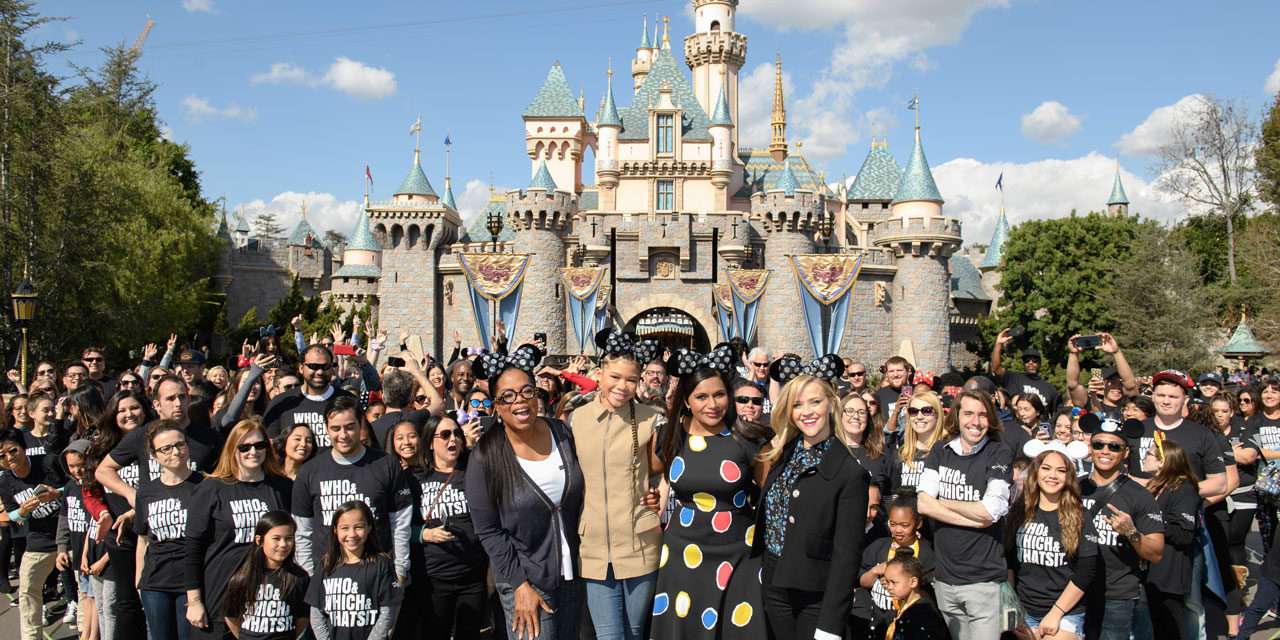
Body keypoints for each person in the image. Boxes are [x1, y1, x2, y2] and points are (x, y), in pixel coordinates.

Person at [650, 348, 771, 639]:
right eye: (701, 397)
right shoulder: (670, 435)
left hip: (739, 554)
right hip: (682, 554)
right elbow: (642, 473)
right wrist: (650, 498)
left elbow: (771, 496)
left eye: (719, 395)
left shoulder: (748, 438)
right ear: (687, 402)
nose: (712, 404)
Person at [466, 349, 586, 640]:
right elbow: (489, 531)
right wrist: (518, 586)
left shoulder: (562, 434)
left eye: (526, 391)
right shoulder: (486, 457)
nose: (519, 401)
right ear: (496, 405)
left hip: (574, 573)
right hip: (527, 578)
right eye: (507, 396)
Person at [754, 371, 869, 640]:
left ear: (830, 403)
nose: (806, 411)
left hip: (815, 598)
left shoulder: (850, 473)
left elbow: (847, 556)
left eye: (814, 402)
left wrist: (831, 625)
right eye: (797, 405)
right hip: (773, 586)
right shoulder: (785, 452)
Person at [569, 330, 664, 640]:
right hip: (594, 544)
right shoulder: (576, 419)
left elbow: (664, 472)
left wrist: (658, 498)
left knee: (636, 633)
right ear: (599, 374)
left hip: (640, 541)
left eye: (631, 380)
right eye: (615, 377)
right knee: (610, 636)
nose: (622, 386)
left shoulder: (652, 419)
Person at [184, 419, 294, 640]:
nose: (253, 451)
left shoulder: (282, 487)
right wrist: (194, 601)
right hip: (219, 595)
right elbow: (193, 547)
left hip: (269, 602)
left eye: (259, 445)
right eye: (244, 447)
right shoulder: (212, 488)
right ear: (232, 448)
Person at [915, 389, 1012, 640]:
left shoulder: (998, 452)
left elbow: (990, 510)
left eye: (982, 415)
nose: (975, 422)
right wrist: (976, 519)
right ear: (957, 416)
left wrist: (944, 501)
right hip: (945, 580)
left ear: (990, 419)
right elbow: (924, 504)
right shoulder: (940, 450)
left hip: (983, 581)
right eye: (968, 413)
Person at [291, 395, 413, 581]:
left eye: (349, 427)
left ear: (360, 425)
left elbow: (400, 523)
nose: (343, 435)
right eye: (335, 428)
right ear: (326, 429)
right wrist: (309, 576)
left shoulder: (386, 464)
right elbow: (302, 532)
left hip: (377, 575)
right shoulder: (309, 471)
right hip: (326, 577)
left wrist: (400, 569)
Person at [1077, 414, 1164, 640]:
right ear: (1091, 447)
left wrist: (1131, 532)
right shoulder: (1074, 487)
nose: (1105, 451)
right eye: (1099, 444)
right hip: (1073, 590)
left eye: (1114, 446)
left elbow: (1156, 553)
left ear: (1125, 452)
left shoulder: (1140, 496)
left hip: (1116, 595)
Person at [405, 415, 487, 640]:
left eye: (457, 434)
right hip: (433, 579)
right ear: (430, 442)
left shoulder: (476, 470)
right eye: (445, 435)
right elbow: (399, 526)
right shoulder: (414, 478)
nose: (453, 439)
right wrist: (424, 534)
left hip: (472, 577)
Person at [1007, 447, 1097, 639]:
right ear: (1036, 472)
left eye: (1061, 470)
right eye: (1046, 468)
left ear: (1069, 477)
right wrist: (1013, 609)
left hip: (1065, 611)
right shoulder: (1019, 511)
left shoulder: (1080, 515)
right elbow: (1009, 562)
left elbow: (1086, 570)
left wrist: (1056, 613)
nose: (1052, 475)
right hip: (1024, 610)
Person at [135, 420, 205, 640]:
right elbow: (143, 539)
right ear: (154, 456)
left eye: (180, 445)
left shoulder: (205, 485)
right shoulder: (147, 491)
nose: (175, 452)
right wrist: (138, 580)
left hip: (193, 583)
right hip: (155, 583)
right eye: (166, 448)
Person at [0, 429, 65, 640]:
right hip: (39, 539)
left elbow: (75, 485)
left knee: (82, 590)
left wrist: (57, 493)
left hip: (68, 534)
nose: (9, 458)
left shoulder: (48, 462)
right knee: (27, 589)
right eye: (1, 455)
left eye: (12, 450)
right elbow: (10, 513)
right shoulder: (5, 482)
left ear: (23, 447)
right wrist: (23, 511)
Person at [307, 501, 402, 640]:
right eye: (344, 528)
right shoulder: (326, 564)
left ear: (369, 527)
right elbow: (316, 613)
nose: (352, 534)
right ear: (335, 530)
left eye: (358, 527)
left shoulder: (382, 564)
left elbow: (387, 612)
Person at [1141, 438, 1201, 639]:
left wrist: (1152, 521)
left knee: (1171, 625)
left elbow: (1184, 534)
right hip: (1151, 568)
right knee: (1157, 624)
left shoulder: (1183, 488)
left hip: (1170, 571)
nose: (1144, 456)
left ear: (1162, 462)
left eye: (1149, 454)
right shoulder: (1156, 485)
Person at [854, 494, 933, 639]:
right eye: (893, 524)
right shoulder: (878, 546)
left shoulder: (926, 554)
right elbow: (862, 581)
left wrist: (899, 581)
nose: (898, 530)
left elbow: (927, 594)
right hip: (876, 621)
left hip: (908, 623)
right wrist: (875, 571)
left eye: (905, 525)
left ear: (919, 523)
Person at [222, 511, 309, 640]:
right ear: (259, 540)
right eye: (276, 538)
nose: (283, 544)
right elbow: (231, 616)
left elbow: (303, 617)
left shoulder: (299, 578)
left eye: (289, 538)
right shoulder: (242, 577)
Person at [261, 345, 354, 445]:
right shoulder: (281, 402)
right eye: (313, 367)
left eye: (325, 367)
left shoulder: (349, 400)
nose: (320, 372)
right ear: (301, 368)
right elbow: (270, 447)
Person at [1065, 333, 1138, 420]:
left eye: (1120, 383)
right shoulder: (1090, 403)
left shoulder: (1128, 406)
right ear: (1103, 384)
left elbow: (1130, 385)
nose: (1117, 387)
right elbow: (1072, 385)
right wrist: (1073, 353)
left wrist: (1116, 352)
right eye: (1112, 382)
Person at [889, 391, 947, 495]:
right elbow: (893, 496)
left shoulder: (947, 453)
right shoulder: (900, 454)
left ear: (938, 415)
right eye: (913, 411)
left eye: (927, 410)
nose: (919, 416)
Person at [840, 393, 888, 514]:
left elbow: (890, 496)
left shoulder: (879, 456)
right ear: (839, 415)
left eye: (861, 412)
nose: (856, 416)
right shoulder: (827, 453)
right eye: (850, 411)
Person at [880, 555, 950, 640]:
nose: (889, 587)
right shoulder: (903, 605)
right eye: (887, 582)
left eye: (894, 582)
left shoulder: (922, 614)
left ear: (913, 582)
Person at [991, 328, 1060, 412]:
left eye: (1035, 360)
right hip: (1014, 423)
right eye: (1027, 360)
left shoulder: (1050, 389)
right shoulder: (1013, 378)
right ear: (1023, 364)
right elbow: (996, 368)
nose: (1030, 363)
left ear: (1040, 364)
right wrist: (998, 344)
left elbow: (1055, 415)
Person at [1003, 393, 1049, 461]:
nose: (1022, 413)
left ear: (1038, 411)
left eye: (1026, 409)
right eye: (1019, 409)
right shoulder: (1013, 428)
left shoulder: (1044, 428)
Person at [874, 356, 913, 427]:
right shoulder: (879, 395)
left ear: (908, 372)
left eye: (899, 370)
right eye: (891, 371)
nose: (895, 375)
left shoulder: (917, 392)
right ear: (887, 374)